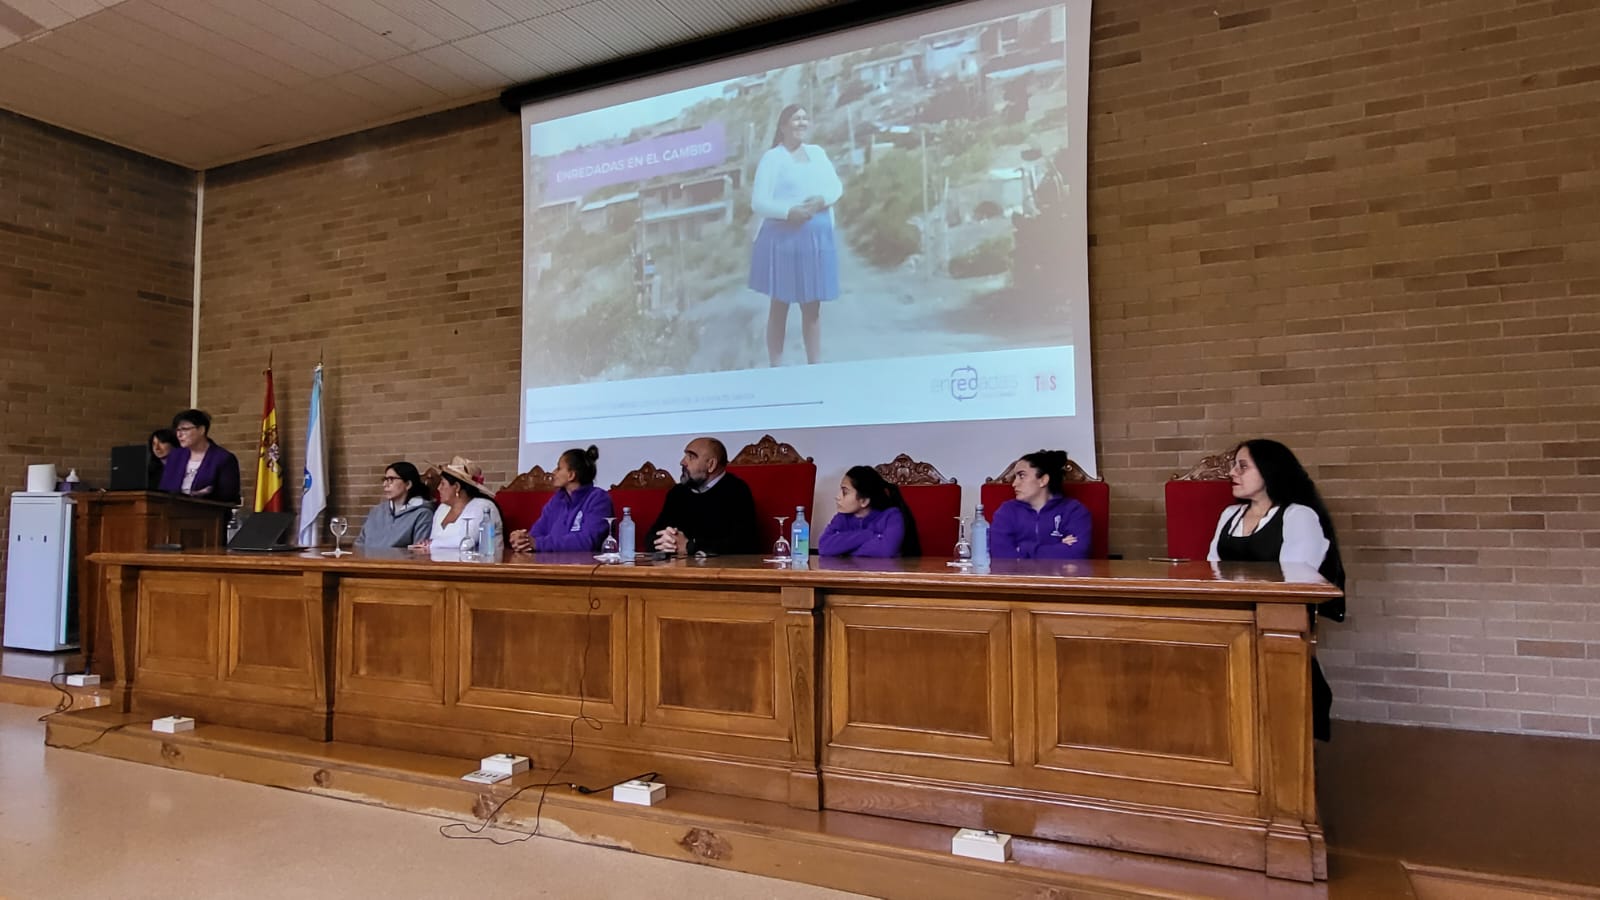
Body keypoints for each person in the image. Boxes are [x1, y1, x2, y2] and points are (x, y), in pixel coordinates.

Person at [1207, 439, 1346, 741]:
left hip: (1275, 617)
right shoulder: (1228, 516)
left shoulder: (1298, 516)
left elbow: (1294, 580)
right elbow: (1212, 569)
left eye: (1242, 466)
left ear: (1269, 471)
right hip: (1230, 617)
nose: (1232, 472)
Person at [748, 103, 843, 366]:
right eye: (795, 119)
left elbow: (836, 187)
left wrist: (820, 200)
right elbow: (759, 202)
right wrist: (789, 211)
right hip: (783, 240)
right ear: (783, 126)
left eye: (804, 118)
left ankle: (815, 365)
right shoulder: (773, 158)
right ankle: (776, 367)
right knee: (780, 305)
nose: (801, 123)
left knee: (812, 307)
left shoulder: (817, 153)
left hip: (815, 241)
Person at [649, 437, 759, 557]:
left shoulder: (736, 491)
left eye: (691, 457)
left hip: (719, 571)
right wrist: (667, 541)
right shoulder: (677, 493)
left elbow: (745, 544)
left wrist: (690, 546)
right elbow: (651, 538)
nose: (683, 462)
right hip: (679, 570)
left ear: (711, 464)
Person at [988, 450, 1092, 560]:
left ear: (1043, 480)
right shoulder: (1006, 511)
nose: (1014, 484)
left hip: (1061, 576)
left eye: (1021, 476)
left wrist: (1024, 548)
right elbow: (1001, 556)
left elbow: (1077, 554)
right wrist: (1058, 547)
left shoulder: (1074, 511)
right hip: (1017, 576)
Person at [508, 446, 613, 553]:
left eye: (558, 468)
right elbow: (536, 533)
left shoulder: (599, 499)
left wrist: (538, 543)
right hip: (548, 564)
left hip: (582, 566)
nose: (553, 472)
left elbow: (587, 542)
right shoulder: (557, 500)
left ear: (571, 475)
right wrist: (522, 540)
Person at [817, 466, 920, 558]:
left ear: (864, 501)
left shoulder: (892, 516)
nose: (837, 497)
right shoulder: (842, 517)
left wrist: (844, 549)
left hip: (885, 576)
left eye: (845, 492)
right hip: (850, 575)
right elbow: (824, 547)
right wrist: (868, 535)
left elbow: (886, 551)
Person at [414, 456, 502, 553]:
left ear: (456, 487)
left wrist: (430, 544)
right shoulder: (442, 509)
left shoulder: (483, 507)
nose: (438, 488)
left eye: (442, 484)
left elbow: (467, 543)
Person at [157, 409, 241, 504]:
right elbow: (163, 489)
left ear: (201, 430)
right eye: (177, 430)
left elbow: (228, 496)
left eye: (184, 429)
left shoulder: (223, 458)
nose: (179, 435)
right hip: (172, 512)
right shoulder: (175, 456)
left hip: (208, 514)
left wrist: (205, 496)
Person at [355, 461, 433, 550]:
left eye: (391, 480)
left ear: (408, 484)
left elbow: (418, 551)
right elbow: (359, 544)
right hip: (367, 562)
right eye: (385, 480)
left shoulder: (422, 514)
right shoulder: (376, 511)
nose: (385, 485)